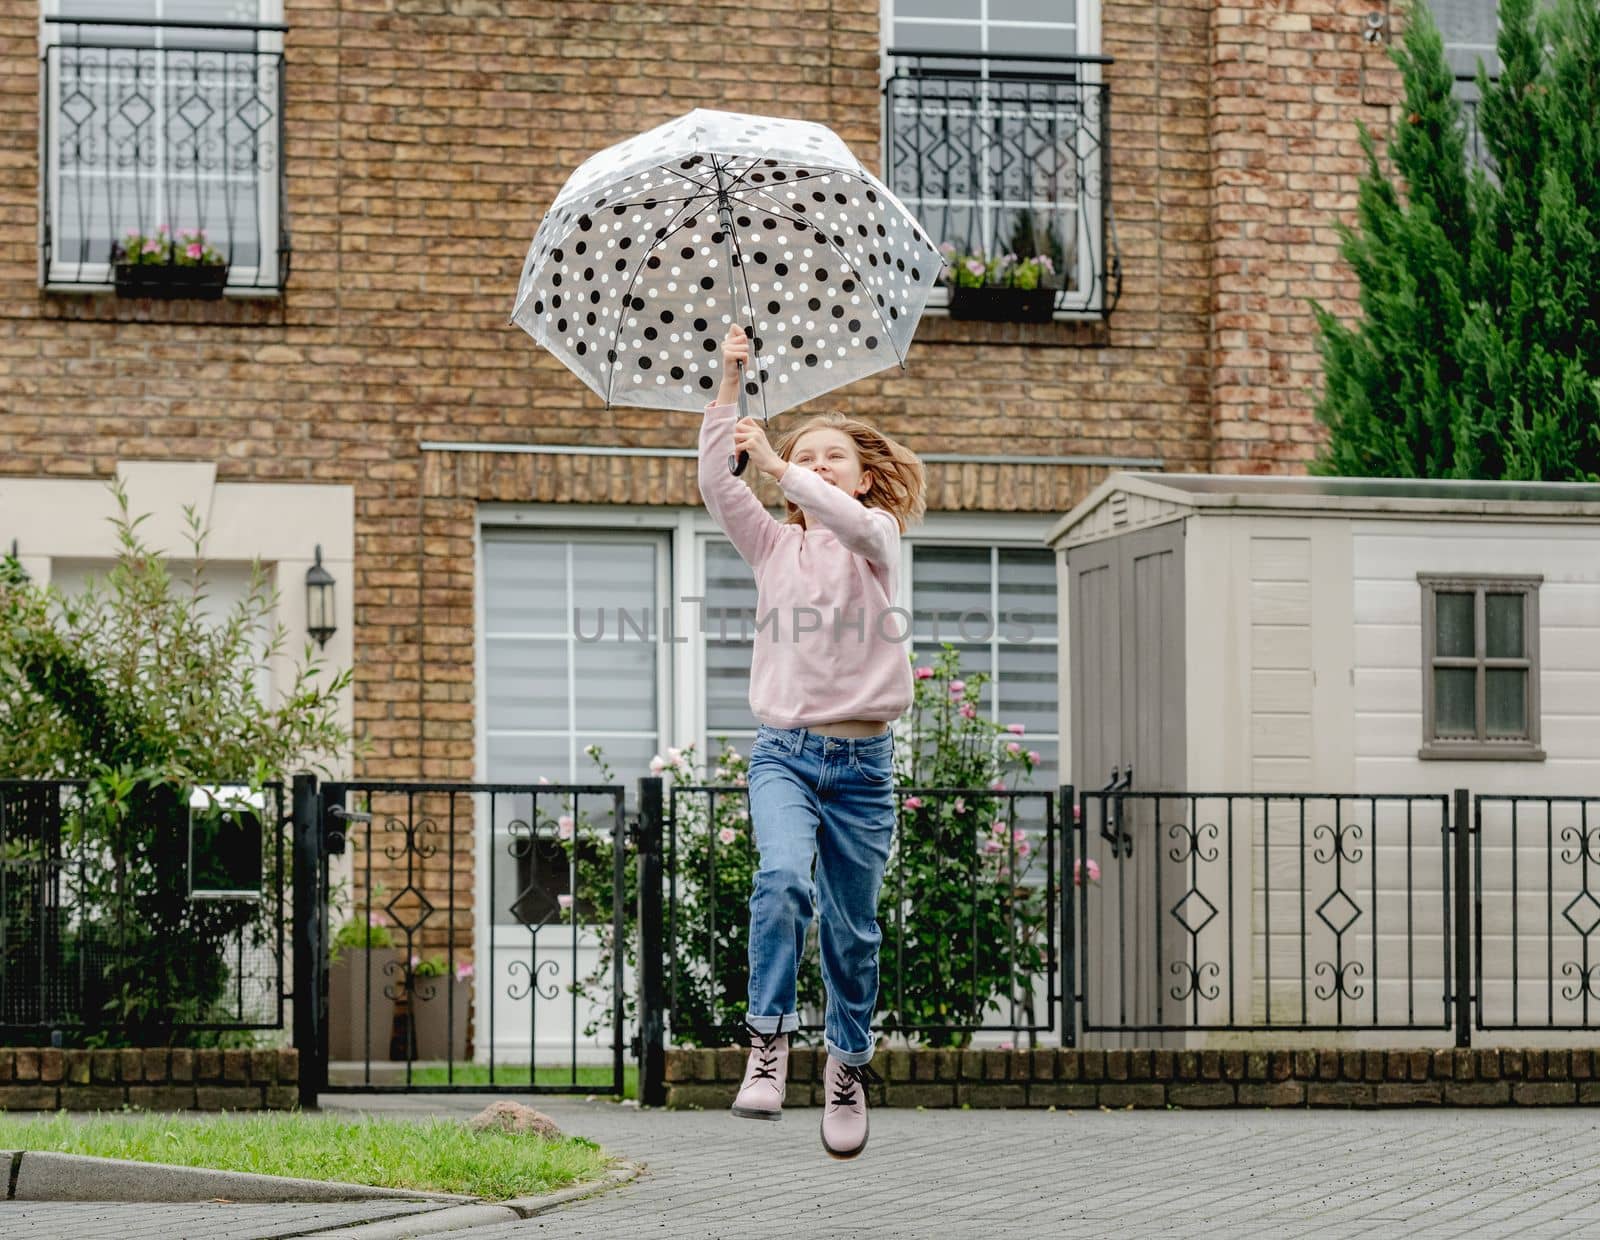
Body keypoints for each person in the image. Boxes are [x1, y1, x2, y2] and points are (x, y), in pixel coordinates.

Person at [696, 322, 926, 1160]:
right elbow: (719, 490)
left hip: (862, 769)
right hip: (786, 756)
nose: (819, 467)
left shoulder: (879, 546)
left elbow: (849, 520)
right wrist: (730, 382)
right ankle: (767, 1041)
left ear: (865, 478)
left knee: (852, 932)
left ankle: (848, 1064)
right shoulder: (775, 546)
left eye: (835, 457)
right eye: (809, 456)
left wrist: (780, 460)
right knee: (782, 880)